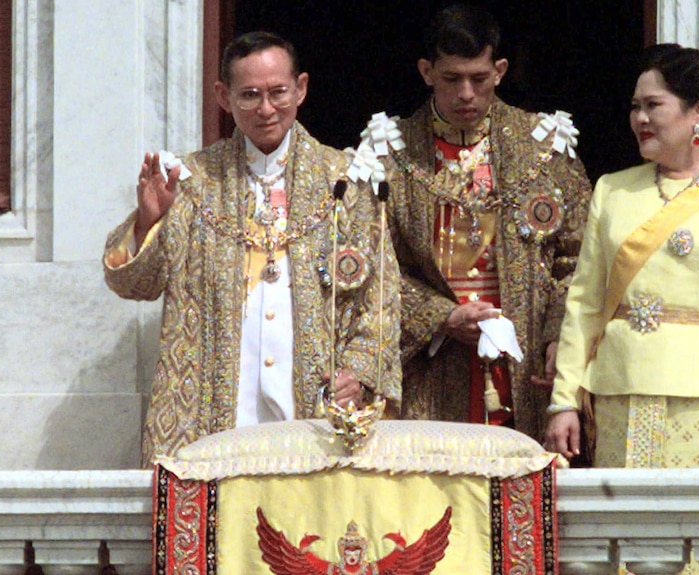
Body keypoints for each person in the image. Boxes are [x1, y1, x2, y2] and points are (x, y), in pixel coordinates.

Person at [103, 31, 402, 467]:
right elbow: (135, 285)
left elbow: (381, 301)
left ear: (300, 88)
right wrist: (149, 220)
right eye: (250, 95)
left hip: (315, 409)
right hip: (210, 413)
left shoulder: (345, 180)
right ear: (224, 97)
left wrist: (356, 373)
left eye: (278, 92)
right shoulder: (192, 182)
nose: (266, 109)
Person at [545, 43, 699, 468]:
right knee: (621, 531)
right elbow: (584, 303)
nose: (640, 118)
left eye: (654, 105)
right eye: (635, 106)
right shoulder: (613, 189)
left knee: (698, 530)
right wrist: (564, 400)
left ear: (698, 112)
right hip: (618, 392)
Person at [361, 3, 591, 443]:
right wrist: (442, 316)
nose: (466, 93)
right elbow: (375, 267)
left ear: (500, 70)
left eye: (479, 78)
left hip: (525, 357)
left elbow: (579, 259)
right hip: (433, 362)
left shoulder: (544, 146)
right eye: (452, 79)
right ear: (427, 71)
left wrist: (557, 337)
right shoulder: (388, 154)